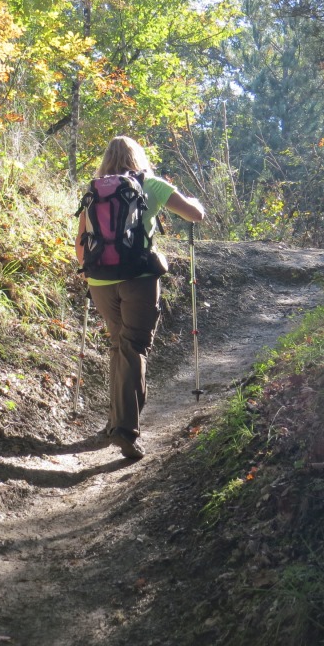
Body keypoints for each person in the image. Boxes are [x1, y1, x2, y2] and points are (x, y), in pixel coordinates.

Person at [75, 136, 205, 460]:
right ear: (139, 157)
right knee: (134, 348)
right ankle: (125, 432)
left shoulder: (94, 189)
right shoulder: (152, 184)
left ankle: (114, 422)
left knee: (119, 346)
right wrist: (196, 202)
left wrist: (90, 274)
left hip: (100, 280)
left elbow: (80, 241)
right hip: (139, 279)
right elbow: (194, 215)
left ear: (107, 159)